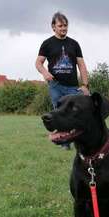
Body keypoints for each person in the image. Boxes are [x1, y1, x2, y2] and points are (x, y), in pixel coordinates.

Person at [35, 12, 90, 149]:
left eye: (65, 25)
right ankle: (64, 143)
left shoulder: (74, 44)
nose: (63, 28)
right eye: (60, 26)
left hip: (73, 87)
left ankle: (80, 141)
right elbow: (38, 63)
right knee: (59, 115)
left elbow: (81, 65)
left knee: (75, 115)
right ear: (53, 27)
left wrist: (85, 85)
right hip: (56, 86)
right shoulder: (47, 44)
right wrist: (45, 73)